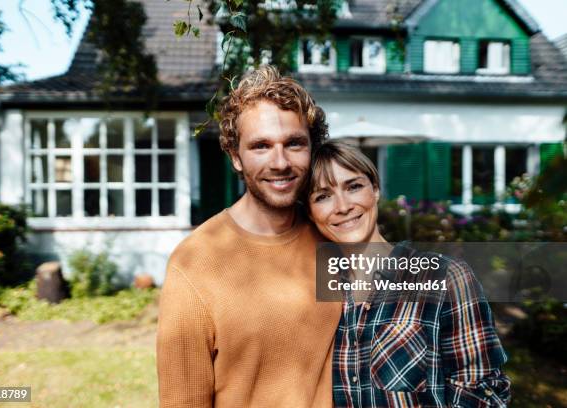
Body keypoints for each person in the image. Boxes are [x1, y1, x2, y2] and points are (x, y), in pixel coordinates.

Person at [156, 66, 342, 407]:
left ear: (312, 149)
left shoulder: (334, 238)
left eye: (294, 143)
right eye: (261, 146)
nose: (280, 162)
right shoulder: (195, 262)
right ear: (235, 156)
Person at [307, 140, 511, 407]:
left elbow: (484, 395)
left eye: (353, 186)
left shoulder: (444, 277)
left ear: (376, 190)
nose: (343, 206)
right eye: (323, 196)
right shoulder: (315, 294)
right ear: (310, 213)